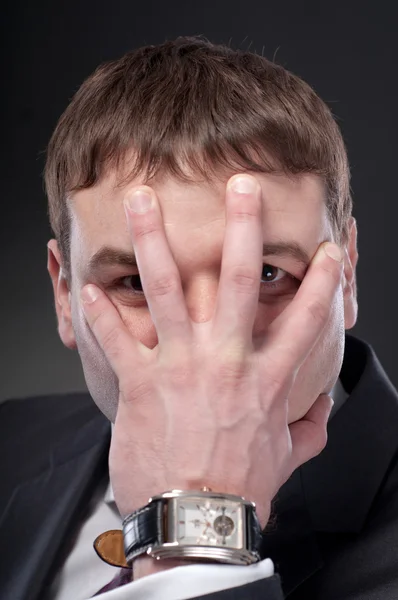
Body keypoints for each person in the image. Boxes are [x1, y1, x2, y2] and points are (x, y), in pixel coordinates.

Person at [1, 35, 398, 600]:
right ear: (64, 294)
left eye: (266, 273)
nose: (212, 344)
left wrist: (190, 534)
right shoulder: (11, 443)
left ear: (347, 274)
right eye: (136, 283)